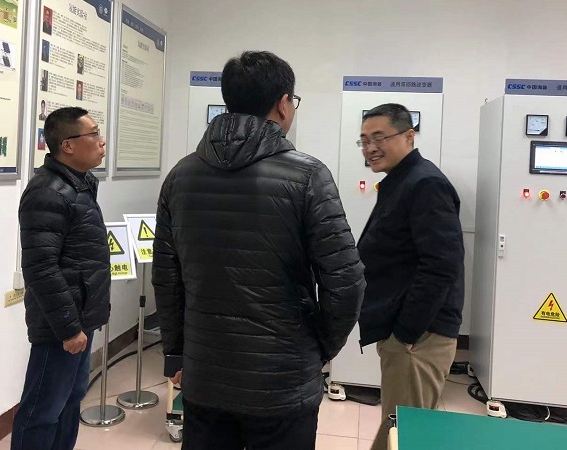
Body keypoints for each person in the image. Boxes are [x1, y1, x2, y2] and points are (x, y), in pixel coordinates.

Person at [152, 51, 366, 450]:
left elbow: (167, 277)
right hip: (281, 381)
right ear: (283, 104)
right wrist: (319, 348)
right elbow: (346, 281)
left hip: (205, 377)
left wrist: (177, 353)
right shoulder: (308, 176)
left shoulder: (180, 176)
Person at [356, 104, 465, 450]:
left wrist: (406, 333)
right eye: (364, 140)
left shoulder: (425, 184)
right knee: (398, 429)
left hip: (420, 337)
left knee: (404, 432)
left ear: (408, 136)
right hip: (407, 331)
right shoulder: (402, 181)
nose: (370, 148)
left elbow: (441, 265)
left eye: (379, 138)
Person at [11, 107, 108, 450]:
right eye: (94, 134)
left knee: (70, 400)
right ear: (68, 145)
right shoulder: (48, 192)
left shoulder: (78, 185)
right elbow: (41, 267)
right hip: (61, 326)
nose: (102, 141)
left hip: (79, 318)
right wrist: (68, 328)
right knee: (43, 410)